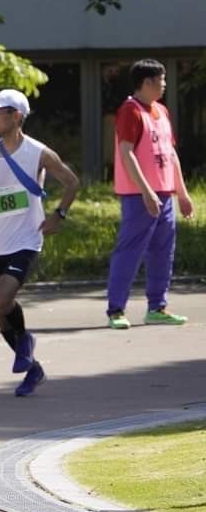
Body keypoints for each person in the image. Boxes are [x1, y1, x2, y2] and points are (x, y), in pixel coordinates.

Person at [0, 89, 80, 397]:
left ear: (17, 116)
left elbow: (72, 182)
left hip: (27, 239)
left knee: (1, 298)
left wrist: (59, 215)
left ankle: (26, 344)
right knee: (0, 309)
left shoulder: (38, 153)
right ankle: (32, 367)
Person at [106, 58, 195, 329]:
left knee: (162, 252)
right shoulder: (130, 111)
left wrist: (182, 192)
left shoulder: (162, 112)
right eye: (161, 80)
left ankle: (157, 307)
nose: (165, 85)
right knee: (130, 251)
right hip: (139, 196)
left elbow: (170, 154)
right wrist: (145, 191)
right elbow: (126, 152)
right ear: (146, 82)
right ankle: (116, 310)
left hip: (164, 193)